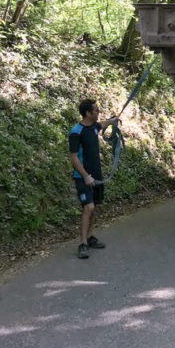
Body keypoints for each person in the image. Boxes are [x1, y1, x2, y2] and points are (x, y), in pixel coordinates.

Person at [69, 99, 119, 259]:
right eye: (96, 110)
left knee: (94, 208)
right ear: (88, 114)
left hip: (97, 175)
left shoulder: (94, 127)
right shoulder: (76, 131)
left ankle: (90, 237)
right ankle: (82, 243)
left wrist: (113, 120)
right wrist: (85, 176)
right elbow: (74, 157)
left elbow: (103, 125)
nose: (98, 112)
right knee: (88, 208)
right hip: (83, 176)